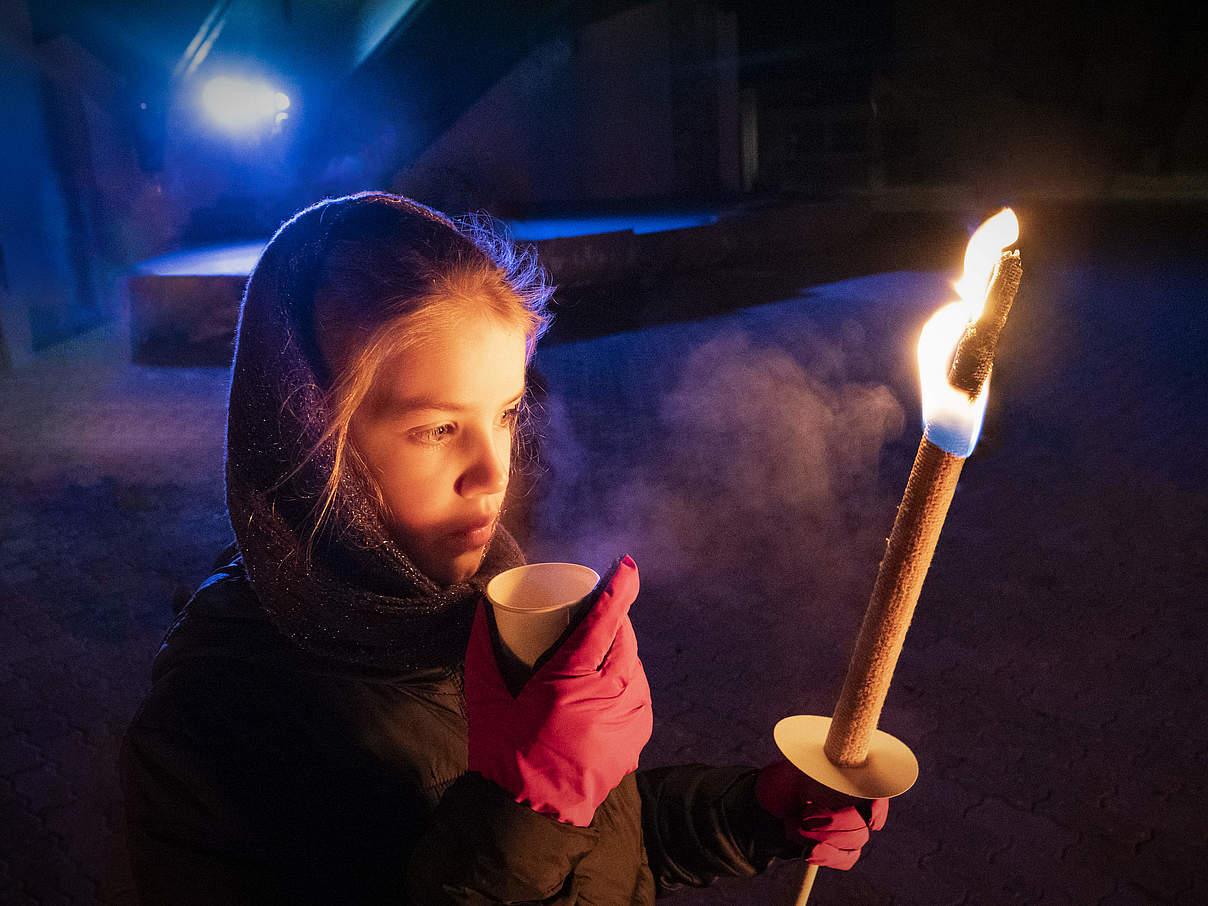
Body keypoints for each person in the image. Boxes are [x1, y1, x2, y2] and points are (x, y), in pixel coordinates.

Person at [120, 192, 887, 905]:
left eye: (505, 414)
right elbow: (526, 839)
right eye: (435, 428)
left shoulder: (489, 602)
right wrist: (531, 805)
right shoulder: (213, 728)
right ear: (308, 446)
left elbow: (601, 853)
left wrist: (753, 813)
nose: (493, 474)